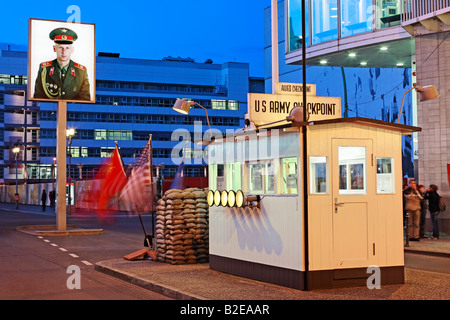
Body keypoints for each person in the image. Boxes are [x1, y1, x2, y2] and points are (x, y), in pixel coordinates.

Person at [34, 27, 91, 101]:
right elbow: (38, 97)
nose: (64, 52)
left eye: (67, 48)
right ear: (54, 49)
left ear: (72, 50)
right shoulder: (44, 69)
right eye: (60, 47)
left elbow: (85, 100)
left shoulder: (81, 71)